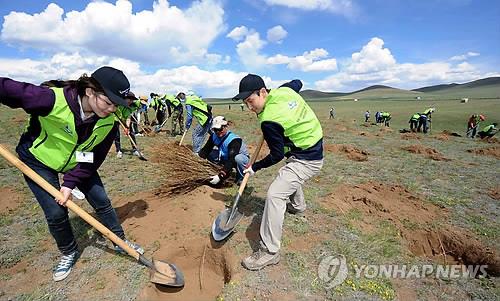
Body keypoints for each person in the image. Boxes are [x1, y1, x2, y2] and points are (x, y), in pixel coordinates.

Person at [0, 66, 144, 282]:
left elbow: (93, 158)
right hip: (39, 160)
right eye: (108, 102)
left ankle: (119, 241)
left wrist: (69, 183)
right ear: (89, 92)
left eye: (116, 105)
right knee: (56, 212)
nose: (112, 109)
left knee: (102, 200)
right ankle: (69, 251)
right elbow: (7, 88)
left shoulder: (108, 123)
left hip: (78, 161)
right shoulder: (50, 99)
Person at [233, 74, 323, 271]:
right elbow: (297, 82)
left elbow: (276, 155)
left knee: (275, 194)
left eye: (251, 101)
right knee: (288, 174)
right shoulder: (285, 90)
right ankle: (298, 206)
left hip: (307, 159)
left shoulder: (269, 121)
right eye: (245, 103)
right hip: (309, 147)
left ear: (263, 92)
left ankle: (269, 252)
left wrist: (254, 167)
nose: (249, 107)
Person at [199, 116, 250, 185]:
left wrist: (221, 176)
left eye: (220, 129)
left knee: (238, 158)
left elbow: (232, 159)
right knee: (211, 154)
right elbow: (205, 150)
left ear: (225, 126)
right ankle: (221, 171)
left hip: (239, 159)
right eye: (215, 130)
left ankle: (241, 178)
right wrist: (197, 160)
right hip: (226, 156)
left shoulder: (234, 140)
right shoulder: (213, 137)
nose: (218, 132)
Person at [114, 93, 141, 158]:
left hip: (123, 118)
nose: (131, 101)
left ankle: (135, 149)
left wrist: (127, 127)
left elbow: (128, 118)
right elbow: (118, 115)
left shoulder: (131, 107)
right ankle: (119, 151)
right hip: (115, 118)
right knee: (116, 134)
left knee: (131, 133)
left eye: (132, 100)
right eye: (129, 99)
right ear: (125, 98)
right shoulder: (118, 103)